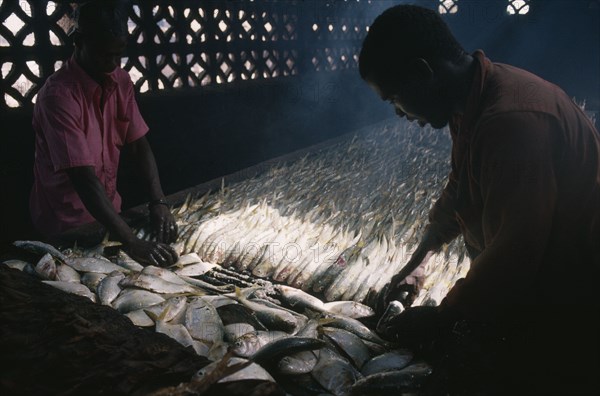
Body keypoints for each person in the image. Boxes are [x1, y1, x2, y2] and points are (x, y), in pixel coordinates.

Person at [360, 5, 599, 395]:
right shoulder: (471, 99)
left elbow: (518, 248)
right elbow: (460, 192)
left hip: (573, 299)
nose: (399, 113)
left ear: (424, 72)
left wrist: (444, 316)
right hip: (538, 285)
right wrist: (417, 263)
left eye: (394, 99)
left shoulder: (510, 119)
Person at [30, 0, 178, 267]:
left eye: (117, 54)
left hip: (110, 215)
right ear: (79, 42)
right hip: (67, 224)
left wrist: (158, 201)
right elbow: (83, 178)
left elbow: (138, 145)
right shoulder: (59, 97)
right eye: (103, 54)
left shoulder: (120, 80)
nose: (111, 63)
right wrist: (131, 241)